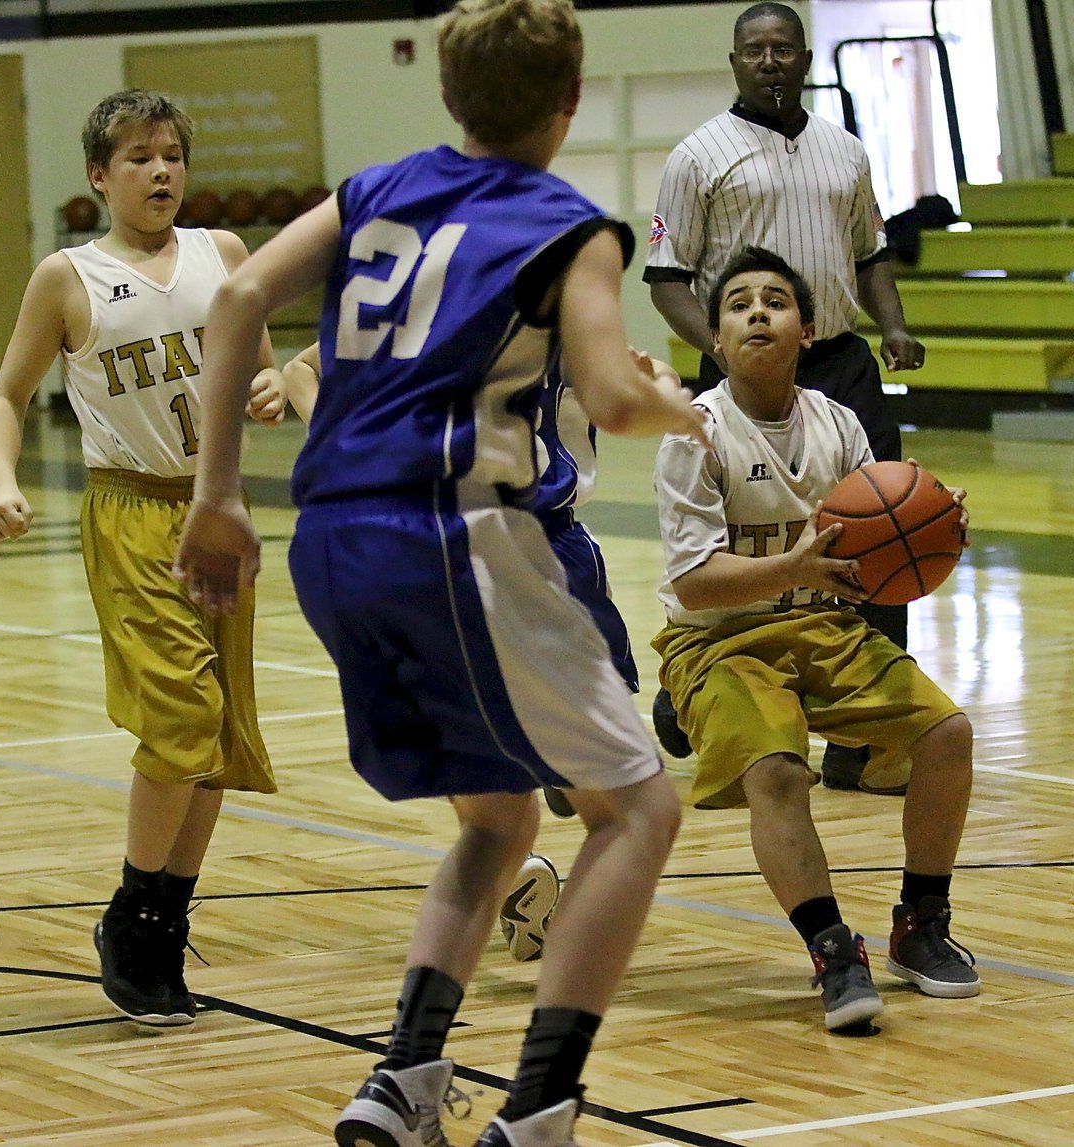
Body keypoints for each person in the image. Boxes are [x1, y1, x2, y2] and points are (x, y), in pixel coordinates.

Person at [173, 1, 705, 1143]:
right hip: (456, 533)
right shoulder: (574, 225)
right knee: (640, 808)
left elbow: (233, 299)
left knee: (499, 817)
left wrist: (219, 497)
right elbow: (613, 398)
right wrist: (675, 408)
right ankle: (545, 1101)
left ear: (451, 99)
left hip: (330, 541)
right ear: (568, 104)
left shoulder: (372, 190)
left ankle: (405, 1078)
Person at [0, 89, 287, 1027]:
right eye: (140, 157)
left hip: (217, 507)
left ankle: (163, 918)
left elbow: (267, 367)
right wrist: (2, 481)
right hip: (130, 510)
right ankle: (128, 911)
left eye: (172, 155)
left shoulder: (222, 255)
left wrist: (277, 387)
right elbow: (5, 395)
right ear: (99, 177)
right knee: (183, 717)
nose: (160, 171)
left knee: (220, 738)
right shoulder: (65, 277)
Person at [651, 245, 979, 1034]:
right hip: (720, 642)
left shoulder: (840, 423)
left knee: (948, 735)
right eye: (737, 304)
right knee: (777, 770)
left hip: (827, 627)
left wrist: (932, 518)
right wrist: (792, 565)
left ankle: (921, 923)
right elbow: (694, 582)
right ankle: (833, 947)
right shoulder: (693, 434)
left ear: (807, 330)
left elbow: (880, 541)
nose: (757, 311)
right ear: (717, 341)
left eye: (775, 300)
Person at [643, 0, 925, 792]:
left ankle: (866, 737)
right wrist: (724, 347)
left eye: (782, 49)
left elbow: (870, 255)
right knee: (739, 539)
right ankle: (697, 683)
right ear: (734, 61)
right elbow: (667, 277)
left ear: (805, 60)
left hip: (838, 362)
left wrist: (895, 325)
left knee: (884, 527)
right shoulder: (699, 155)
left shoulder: (845, 152)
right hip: (741, 367)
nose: (768, 61)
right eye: (753, 50)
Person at [283, 342, 625, 963]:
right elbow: (303, 370)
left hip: (548, 551)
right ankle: (516, 884)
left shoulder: (564, 301)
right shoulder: (421, 298)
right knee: (472, 774)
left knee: (612, 792)